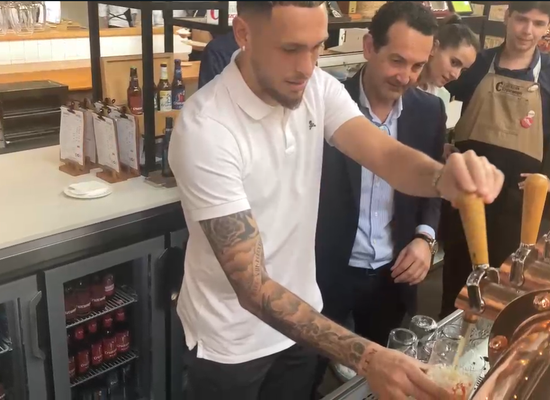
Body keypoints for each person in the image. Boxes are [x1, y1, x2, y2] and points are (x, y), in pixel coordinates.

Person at [168, 2, 503, 400]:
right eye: (290, 49)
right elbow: (252, 287)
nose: (306, 66)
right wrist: (367, 356)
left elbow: (385, 155)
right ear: (243, 34)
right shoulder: (207, 128)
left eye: (317, 47)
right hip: (231, 343)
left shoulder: (317, 88)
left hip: (302, 322)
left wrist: (443, 178)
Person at [314, 1, 445, 387]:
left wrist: (425, 238)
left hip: (393, 273)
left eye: (417, 66)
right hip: (326, 273)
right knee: (307, 375)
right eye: (397, 60)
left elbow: (433, 185)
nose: (406, 76)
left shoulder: (429, 111)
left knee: (380, 381)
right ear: (370, 47)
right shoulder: (325, 105)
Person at [440, 1, 550, 318]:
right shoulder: (478, 63)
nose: (528, 31)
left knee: (506, 285)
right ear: (507, 17)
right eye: (522, 19)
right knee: (457, 280)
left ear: (548, 26)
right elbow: (434, 91)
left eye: (538, 23)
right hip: (468, 194)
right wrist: (440, 144)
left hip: (518, 204)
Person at [417, 14, 479, 106]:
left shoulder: (442, 97)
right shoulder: (402, 85)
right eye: (454, 62)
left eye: (463, 70)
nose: (456, 75)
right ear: (434, 47)